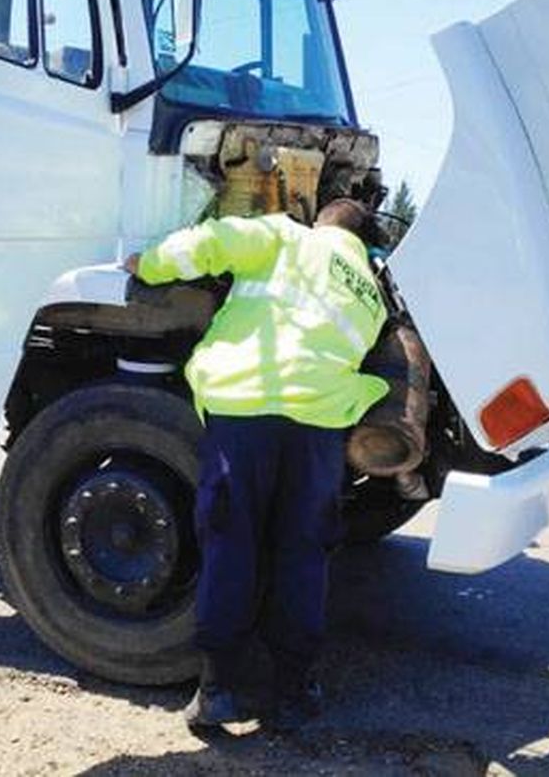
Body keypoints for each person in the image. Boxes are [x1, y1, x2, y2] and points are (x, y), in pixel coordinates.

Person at [124, 198, 388, 730]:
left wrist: (147, 264)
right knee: (304, 549)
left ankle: (218, 689)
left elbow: (213, 240)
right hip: (319, 421)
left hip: (244, 407)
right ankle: (293, 692)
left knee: (232, 540)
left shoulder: (288, 237)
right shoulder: (372, 294)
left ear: (323, 222)